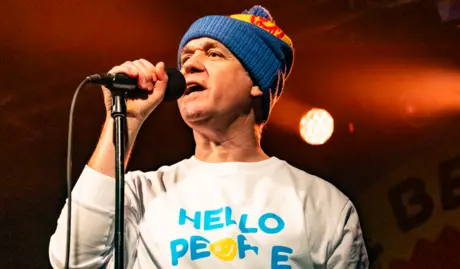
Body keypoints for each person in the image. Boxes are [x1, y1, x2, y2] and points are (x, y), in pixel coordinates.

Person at [49, 5, 369, 269]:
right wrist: (124, 121)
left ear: (257, 82)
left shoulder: (322, 203)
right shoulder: (138, 194)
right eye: (186, 56)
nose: (191, 64)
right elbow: (71, 261)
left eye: (213, 54)